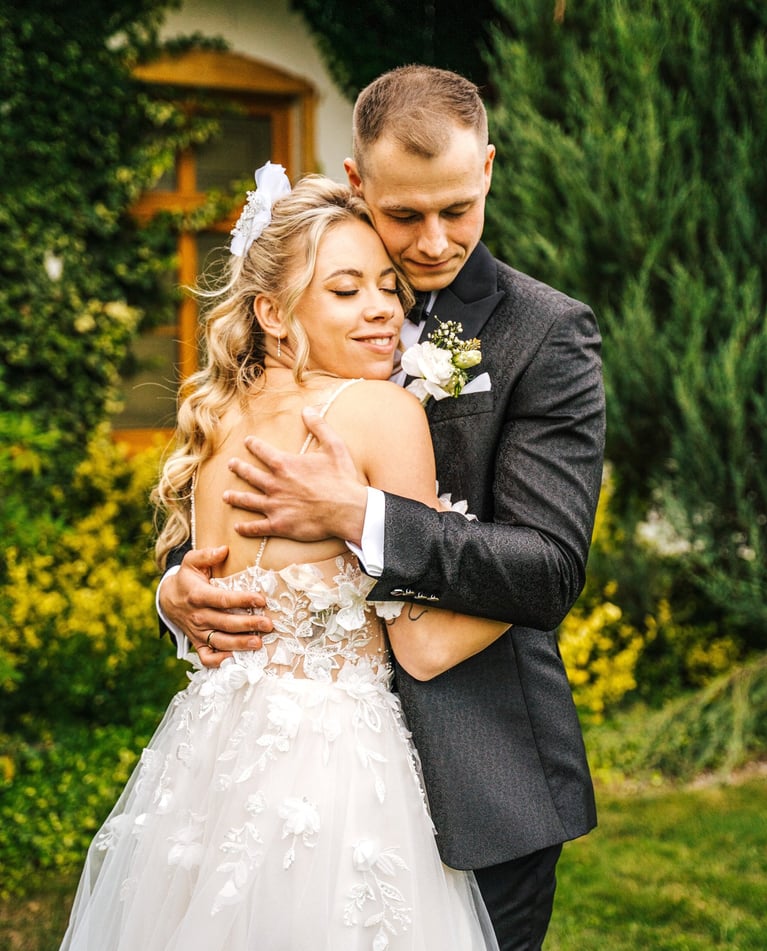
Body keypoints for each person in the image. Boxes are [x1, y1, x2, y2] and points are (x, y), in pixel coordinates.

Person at [160, 66, 606, 951]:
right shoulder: (307, 295)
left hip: (482, 774)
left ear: (487, 168)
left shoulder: (544, 334)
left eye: (456, 210)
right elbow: (219, 492)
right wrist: (176, 590)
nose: (434, 242)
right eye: (404, 216)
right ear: (358, 182)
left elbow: (549, 563)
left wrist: (360, 514)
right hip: (283, 768)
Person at [60, 169, 506, 950]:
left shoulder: (218, 420)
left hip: (208, 763)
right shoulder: (383, 412)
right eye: (346, 290)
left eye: (387, 286)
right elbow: (424, 646)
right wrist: (543, 579)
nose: (383, 311)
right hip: (334, 774)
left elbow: (205, 585)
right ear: (272, 310)